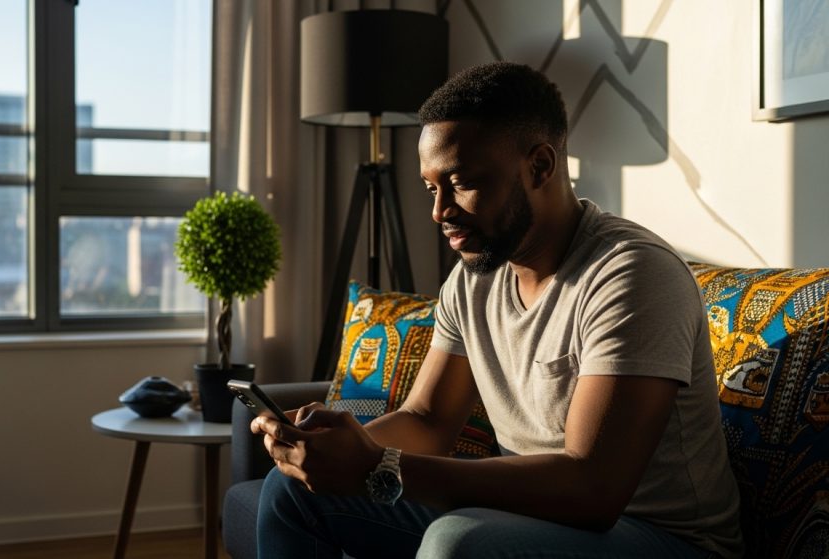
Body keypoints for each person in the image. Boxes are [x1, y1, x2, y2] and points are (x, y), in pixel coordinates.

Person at [251, 62, 744, 558]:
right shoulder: (474, 277)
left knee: (457, 543)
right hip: (531, 517)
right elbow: (427, 419)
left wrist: (378, 467)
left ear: (540, 166)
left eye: (462, 182)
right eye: (431, 188)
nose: (439, 211)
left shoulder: (630, 274)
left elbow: (592, 489)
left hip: (660, 539)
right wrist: (333, 451)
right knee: (289, 490)